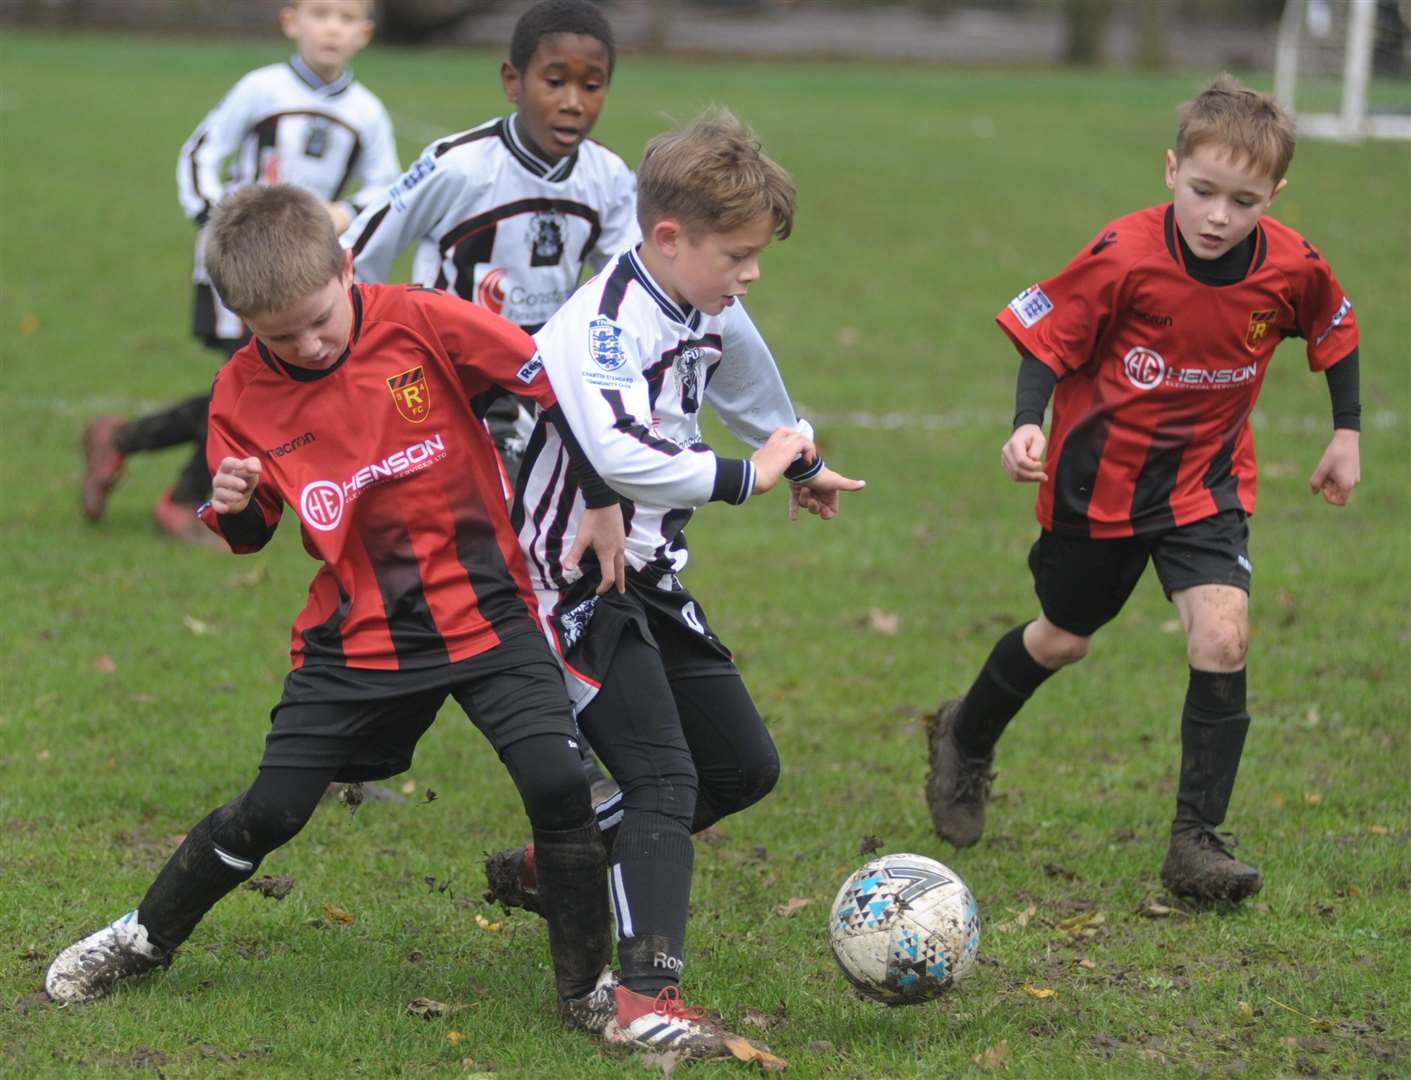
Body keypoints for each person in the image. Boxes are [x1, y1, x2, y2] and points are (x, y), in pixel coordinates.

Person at [46, 185, 630, 1037]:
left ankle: (585, 991)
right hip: (358, 636)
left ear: (347, 268)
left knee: (555, 782)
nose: (310, 345)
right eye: (281, 336)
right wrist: (235, 498)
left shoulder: (424, 320)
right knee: (274, 810)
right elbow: (249, 536)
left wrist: (603, 497)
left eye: (321, 319)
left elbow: (554, 386)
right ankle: (142, 939)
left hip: (488, 616)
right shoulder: (240, 394)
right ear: (244, 321)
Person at [923, 75, 1361, 904]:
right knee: (1063, 638)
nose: (1218, 217)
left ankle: (1196, 843)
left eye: (1243, 200)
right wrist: (1027, 422)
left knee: (1222, 637)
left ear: (1273, 196)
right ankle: (964, 731)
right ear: (1170, 172)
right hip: (1097, 490)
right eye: (1202, 192)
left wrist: (1346, 431)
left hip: (1207, 484)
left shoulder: (1292, 267)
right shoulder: (1123, 254)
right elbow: (1044, 335)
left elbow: (1334, 327)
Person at [485, 110, 864, 1057]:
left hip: (645, 571)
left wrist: (801, 455)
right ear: (667, 237)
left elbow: (741, 368)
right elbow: (621, 452)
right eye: (736, 255)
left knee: (743, 767)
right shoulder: (606, 324)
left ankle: (553, 862)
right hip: (567, 581)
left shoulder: (696, 299)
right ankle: (642, 998)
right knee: (662, 775)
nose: (750, 275)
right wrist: (753, 474)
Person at [81, 0, 400, 544]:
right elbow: (201, 154)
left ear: (365, 34)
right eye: (320, 14)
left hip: (301, 281)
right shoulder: (261, 89)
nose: (332, 28)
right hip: (244, 272)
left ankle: (124, 441)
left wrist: (345, 213)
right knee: (249, 386)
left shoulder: (368, 111)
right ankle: (181, 500)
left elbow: (389, 186)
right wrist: (217, 224)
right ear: (291, 22)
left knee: (250, 384)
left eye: (346, 19)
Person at [345, 0, 638, 487]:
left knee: (543, 523)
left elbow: (626, 290)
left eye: (592, 86)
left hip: (539, 372)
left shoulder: (607, 177)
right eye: (554, 81)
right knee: (473, 516)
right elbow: (361, 251)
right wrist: (358, 355)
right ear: (512, 81)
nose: (573, 102)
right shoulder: (457, 165)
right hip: (446, 371)